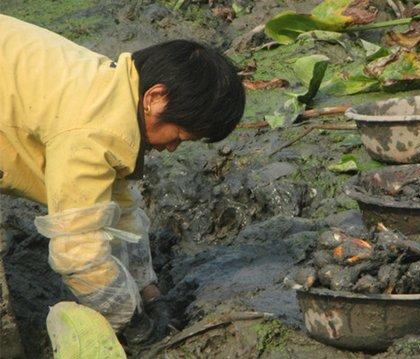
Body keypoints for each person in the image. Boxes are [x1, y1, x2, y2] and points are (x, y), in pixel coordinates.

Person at [0, 14, 245, 343]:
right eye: (178, 136)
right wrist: (131, 322)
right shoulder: (92, 128)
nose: (172, 148)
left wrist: (149, 291)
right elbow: (78, 254)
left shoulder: (111, 90)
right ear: (155, 98)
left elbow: (115, 211)